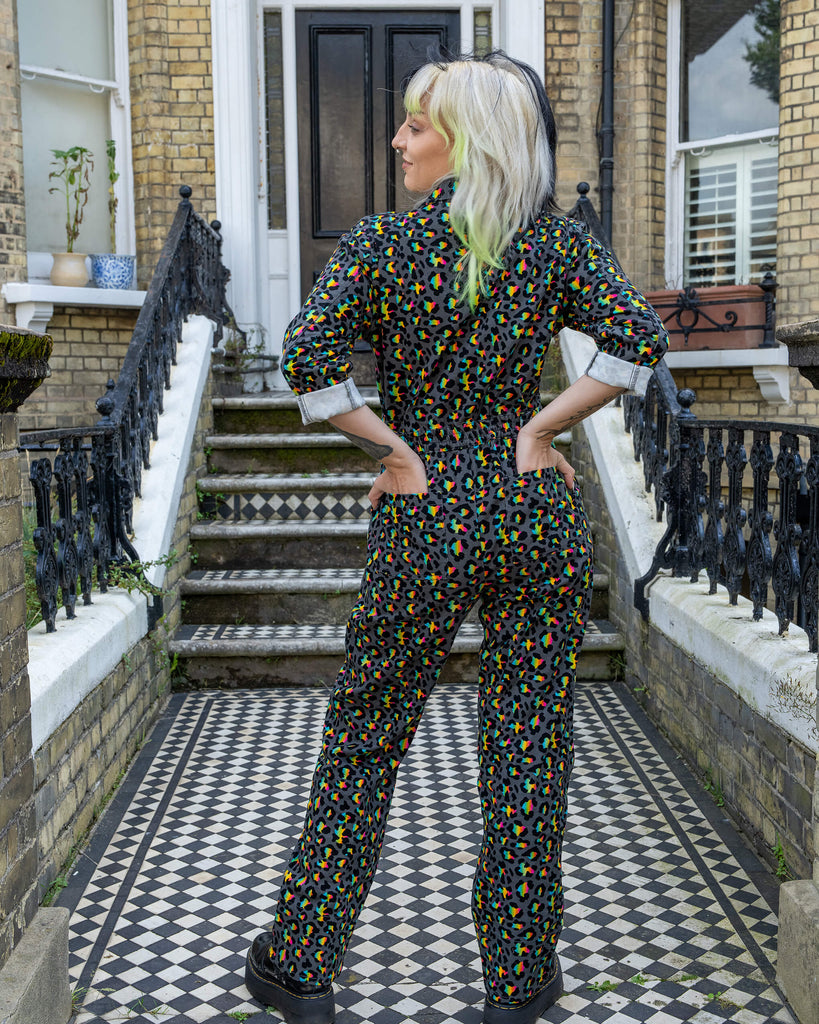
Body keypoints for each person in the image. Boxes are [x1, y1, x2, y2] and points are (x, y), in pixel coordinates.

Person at [245, 51, 667, 1024]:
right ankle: (517, 982)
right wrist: (540, 430)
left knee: (367, 736)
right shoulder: (554, 247)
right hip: (530, 506)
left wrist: (392, 449)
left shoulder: (382, 246)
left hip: (429, 510)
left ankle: (300, 963)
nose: (397, 140)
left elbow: (306, 362)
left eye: (415, 126)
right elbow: (637, 341)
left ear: (466, 142)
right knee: (528, 743)